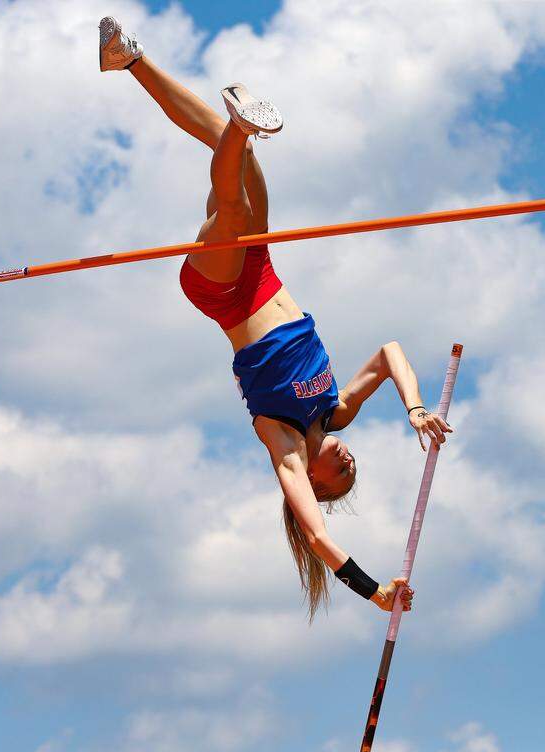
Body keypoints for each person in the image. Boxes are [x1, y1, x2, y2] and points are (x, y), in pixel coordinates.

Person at [100, 17, 452, 621]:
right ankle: (126, 60)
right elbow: (392, 353)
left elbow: (318, 541)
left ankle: (238, 125)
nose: (348, 463)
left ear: (312, 483)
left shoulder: (283, 441)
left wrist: (375, 592)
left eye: (338, 477)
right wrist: (415, 408)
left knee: (235, 194)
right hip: (259, 270)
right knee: (234, 160)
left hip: (227, 295)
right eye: (353, 468)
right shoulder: (334, 407)